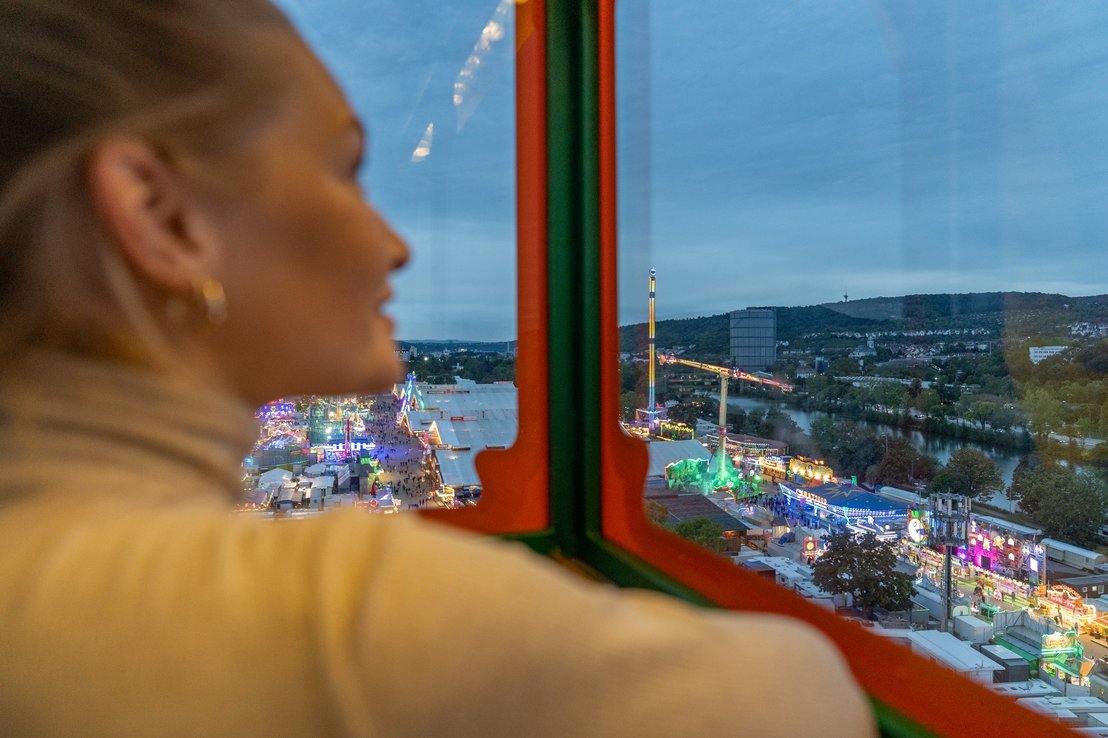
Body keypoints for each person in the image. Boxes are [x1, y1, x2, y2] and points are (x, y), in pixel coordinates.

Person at [0, 1, 876, 735]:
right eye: (345, 172)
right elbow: (807, 698)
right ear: (161, 215)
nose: (395, 245)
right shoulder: (336, 617)